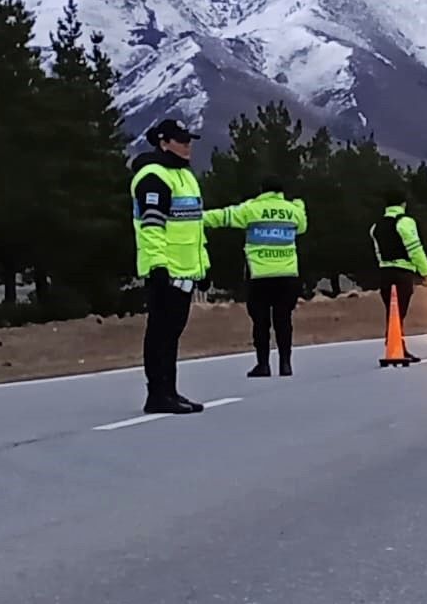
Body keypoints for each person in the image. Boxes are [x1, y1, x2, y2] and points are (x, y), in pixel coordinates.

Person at [130, 118, 210, 414]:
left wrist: (203, 267)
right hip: (166, 270)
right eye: (181, 140)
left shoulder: (184, 176)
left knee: (172, 334)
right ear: (163, 142)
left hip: (186, 270)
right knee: (160, 333)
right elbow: (152, 226)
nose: (188, 145)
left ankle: (170, 391)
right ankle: (157, 394)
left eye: (189, 139)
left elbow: (193, 226)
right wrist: (158, 265)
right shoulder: (154, 176)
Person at [204, 175, 308, 378]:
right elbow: (302, 227)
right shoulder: (293, 211)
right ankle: (286, 364)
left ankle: (263, 365)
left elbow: (222, 216)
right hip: (287, 274)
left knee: (261, 323)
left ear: (262, 190)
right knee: (284, 321)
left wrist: (192, 218)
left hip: (259, 275)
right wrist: (299, 205)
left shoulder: (251, 209)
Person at [369, 190, 427, 363]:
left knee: (392, 312)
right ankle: (396, 345)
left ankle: (396, 343)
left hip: (384, 273)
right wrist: (425, 272)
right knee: (399, 313)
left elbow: (378, 252)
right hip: (402, 273)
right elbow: (415, 249)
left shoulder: (376, 226)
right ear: (403, 204)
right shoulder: (405, 222)